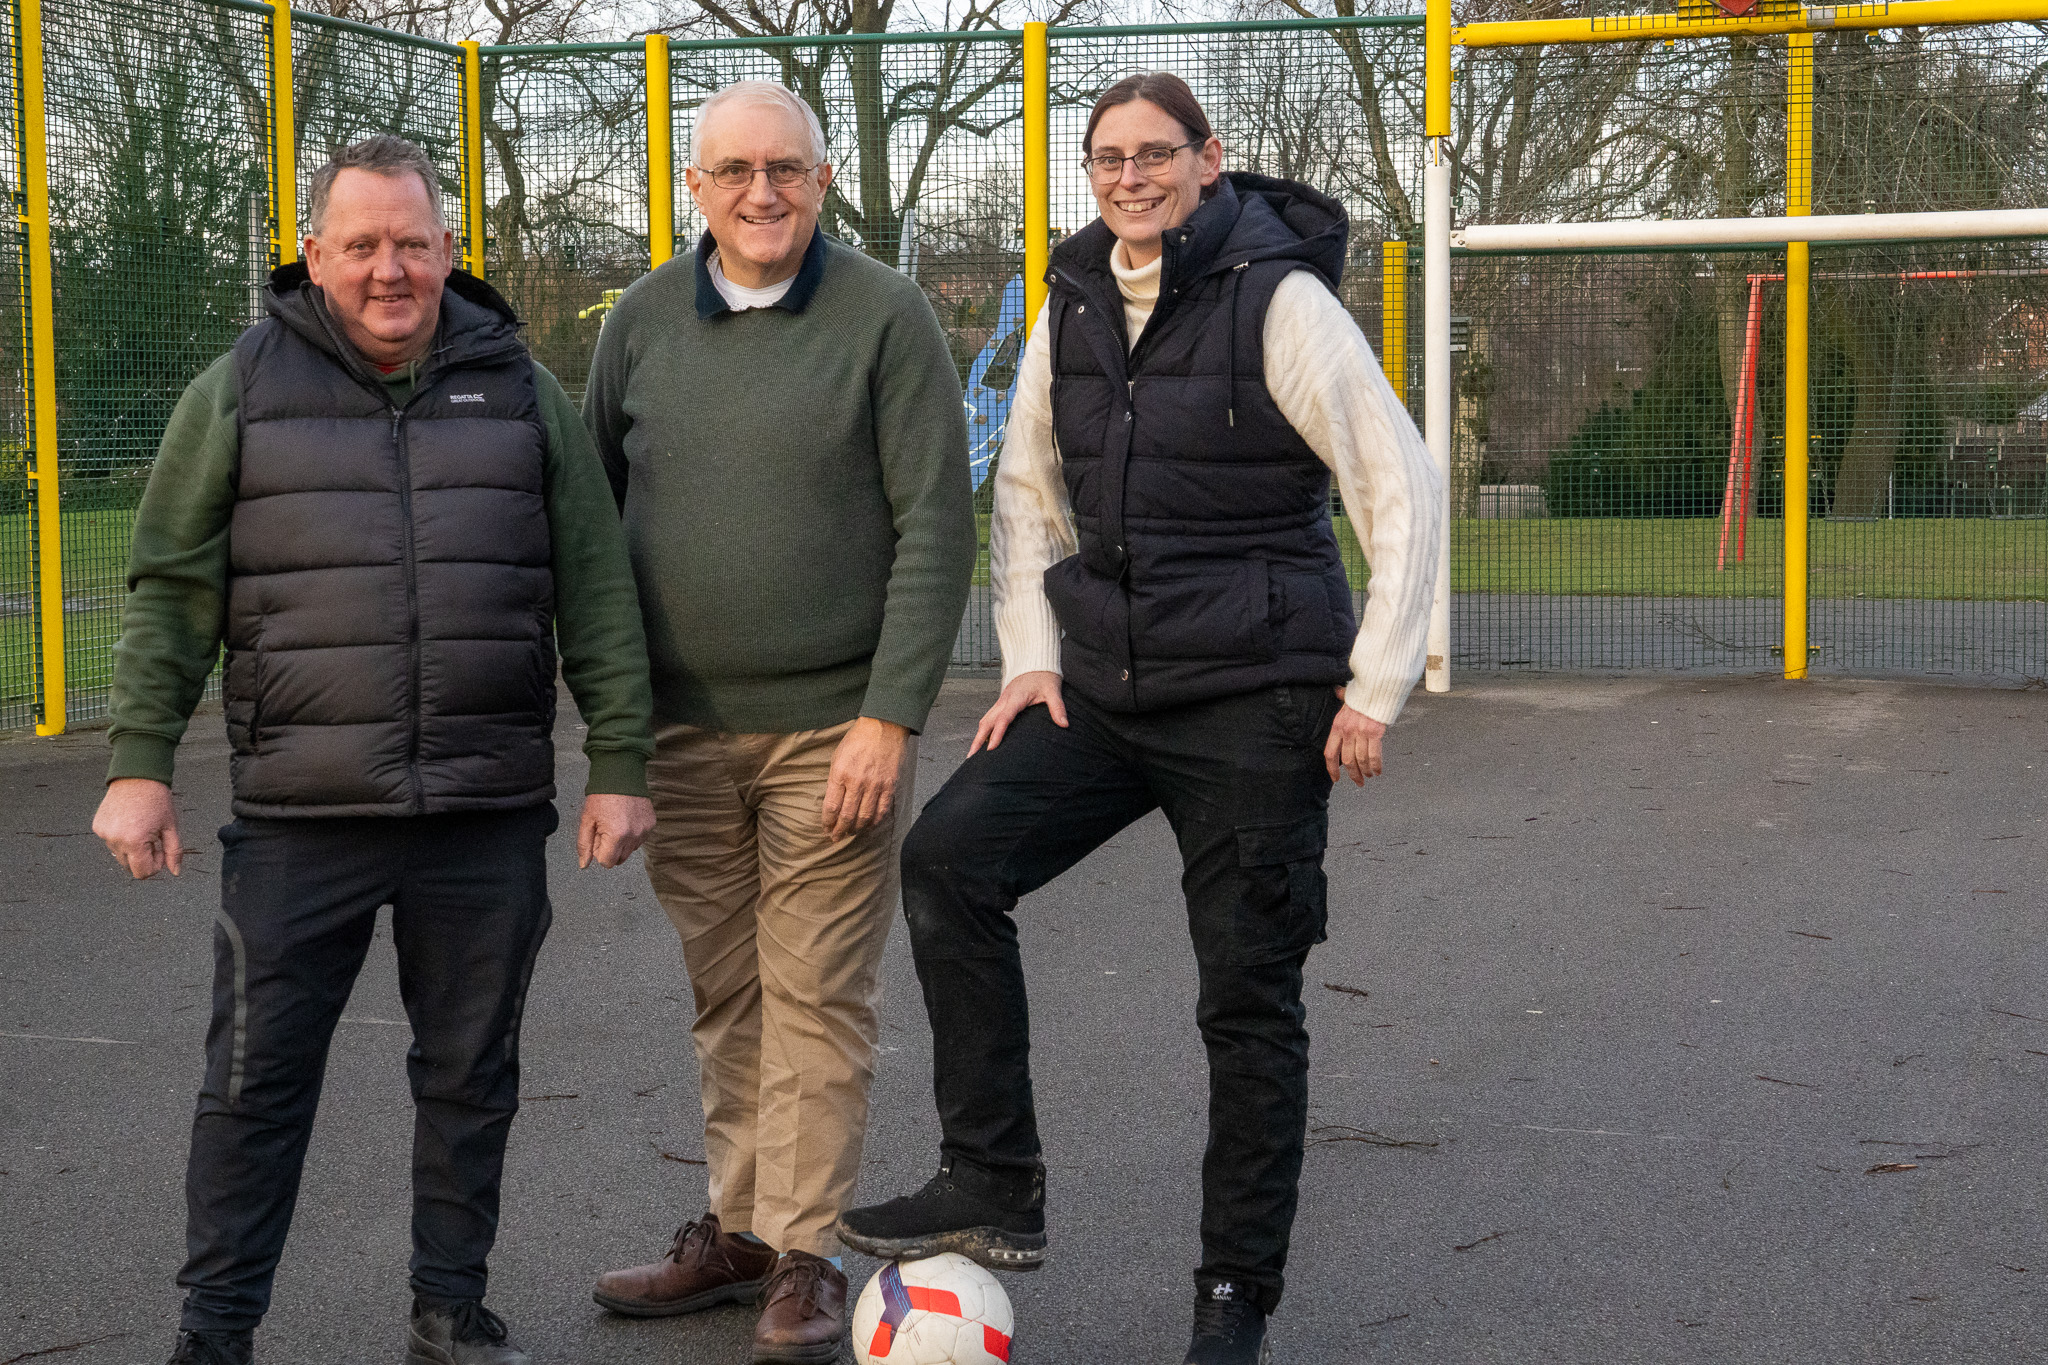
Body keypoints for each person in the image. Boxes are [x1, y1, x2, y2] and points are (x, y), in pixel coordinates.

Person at [836, 72, 1442, 1365]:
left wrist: (1373, 686)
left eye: (1153, 154)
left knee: (1245, 1000)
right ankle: (992, 1181)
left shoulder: (1279, 302)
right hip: (1107, 692)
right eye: (1106, 158)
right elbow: (1027, 497)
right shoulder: (1073, 301)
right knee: (950, 858)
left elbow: (1402, 483)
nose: (1128, 177)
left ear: (1208, 161)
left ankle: (1233, 1296)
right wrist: (1027, 662)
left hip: (1257, 699)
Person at [90, 135, 657, 1365]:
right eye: (362, 245)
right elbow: (174, 588)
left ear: (450, 251)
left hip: (484, 809)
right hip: (302, 818)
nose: (389, 268)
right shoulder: (239, 386)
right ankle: (216, 1329)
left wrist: (618, 760)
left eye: (412, 243)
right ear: (315, 254)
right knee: (251, 1087)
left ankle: (450, 1308)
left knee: (470, 1077)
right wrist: (138, 763)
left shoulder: (518, 387)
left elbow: (596, 583)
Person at [582, 82, 975, 1363]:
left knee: (815, 992)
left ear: (819, 180)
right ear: (692, 186)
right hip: (683, 738)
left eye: (788, 170)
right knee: (727, 991)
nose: (763, 193)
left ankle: (805, 1254)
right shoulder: (639, 324)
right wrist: (616, 742)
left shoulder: (885, 315)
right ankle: (741, 1233)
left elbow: (934, 526)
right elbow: (590, 536)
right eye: (735, 171)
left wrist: (889, 715)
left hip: (832, 733)